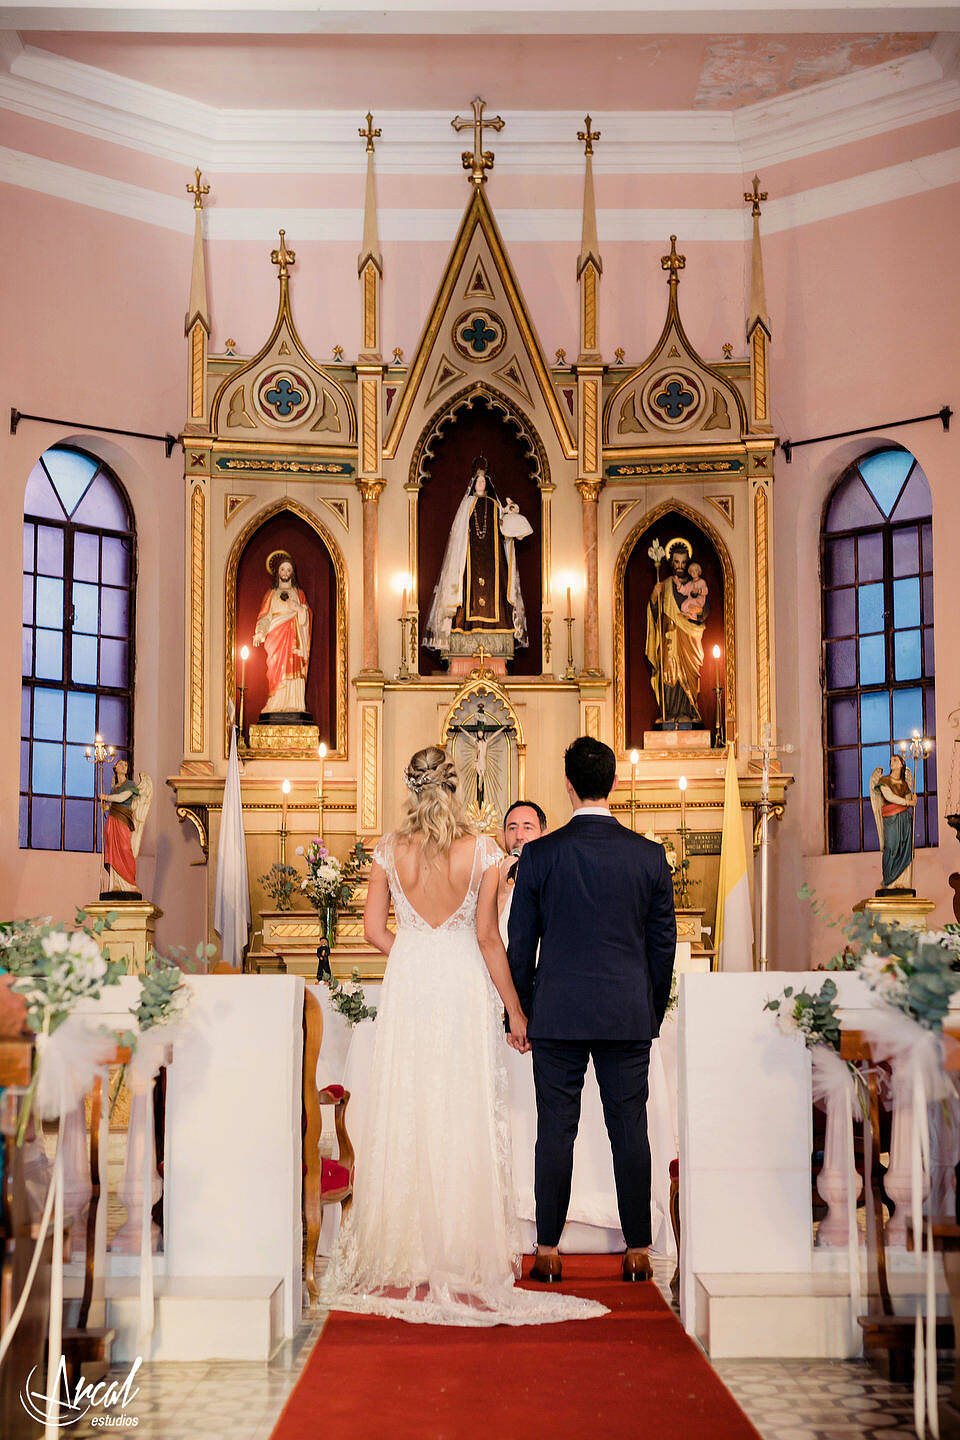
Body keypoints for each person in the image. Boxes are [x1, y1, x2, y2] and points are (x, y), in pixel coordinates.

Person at [321, 746, 604, 1327]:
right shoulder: (483, 852)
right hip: (461, 983)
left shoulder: (388, 849)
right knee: (462, 1108)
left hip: (409, 982)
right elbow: (487, 939)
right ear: (456, 788)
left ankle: (407, 1247)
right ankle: (459, 1250)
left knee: (411, 1105)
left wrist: (414, 958)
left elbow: (374, 929)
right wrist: (516, 1011)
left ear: (410, 787)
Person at [507, 736, 677, 1284]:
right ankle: (638, 1251)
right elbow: (662, 944)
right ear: (614, 783)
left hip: (556, 1014)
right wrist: (647, 1008)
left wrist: (525, 1011)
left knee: (555, 1130)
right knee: (629, 1129)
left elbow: (520, 943)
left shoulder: (539, 854)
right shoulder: (648, 855)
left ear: (567, 785)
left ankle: (549, 1250)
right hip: (627, 1012)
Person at [423, 458, 529, 653]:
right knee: (466, 592)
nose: (480, 484)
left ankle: (499, 629)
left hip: (493, 560)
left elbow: (505, 528)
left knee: (497, 591)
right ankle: (464, 628)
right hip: (470, 558)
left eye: (483, 481)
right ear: (473, 484)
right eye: (477, 482)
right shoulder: (467, 505)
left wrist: (511, 511)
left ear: (487, 484)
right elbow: (459, 534)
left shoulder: (495, 506)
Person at [252, 551, 312, 718]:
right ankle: (276, 703)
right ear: (277, 572)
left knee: (294, 666)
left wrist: (299, 609)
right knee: (276, 669)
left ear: (293, 573)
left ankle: (295, 703)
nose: (285, 573)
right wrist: (260, 632)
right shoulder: (271, 594)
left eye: (288, 570)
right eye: (282, 569)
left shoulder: (298, 594)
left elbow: (306, 619)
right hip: (276, 637)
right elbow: (265, 616)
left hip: (295, 637)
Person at [496, 799, 548, 939]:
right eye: (512, 828)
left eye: (527, 828)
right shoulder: (491, 876)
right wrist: (501, 893)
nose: (519, 836)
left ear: (544, 835)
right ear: (503, 836)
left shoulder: (554, 876)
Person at [870, 752, 918, 891]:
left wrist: (913, 800)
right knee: (891, 847)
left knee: (905, 849)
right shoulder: (884, 781)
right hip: (891, 818)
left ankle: (902, 882)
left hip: (904, 819)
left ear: (902, 764)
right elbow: (889, 796)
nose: (892, 762)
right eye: (891, 760)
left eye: (895, 760)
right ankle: (888, 881)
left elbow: (909, 798)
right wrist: (907, 802)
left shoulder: (904, 784)